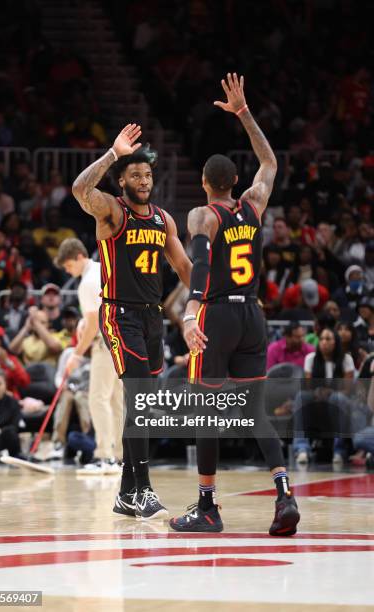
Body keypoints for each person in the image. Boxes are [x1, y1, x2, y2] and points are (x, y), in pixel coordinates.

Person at [170, 72, 300, 534]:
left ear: (205, 183)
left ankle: (207, 506)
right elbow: (270, 162)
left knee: (206, 409)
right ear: (236, 180)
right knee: (255, 410)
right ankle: (284, 495)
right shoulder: (254, 204)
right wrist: (244, 114)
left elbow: (201, 267)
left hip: (218, 312)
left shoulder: (203, 214)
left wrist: (190, 312)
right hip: (253, 315)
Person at [72, 123, 192, 519]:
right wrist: (112, 153)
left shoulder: (163, 220)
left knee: (142, 403)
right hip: (118, 313)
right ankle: (143, 490)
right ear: (122, 179)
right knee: (139, 397)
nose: (143, 180)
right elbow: (79, 190)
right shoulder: (111, 210)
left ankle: (126, 495)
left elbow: (184, 267)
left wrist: (215, 295)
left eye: (148, 175)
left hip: (152, 316)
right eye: (135, 174)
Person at [55, 238, 123, 473]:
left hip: (104, 342)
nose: (68, 271)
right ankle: (120, 457)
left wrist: (76, 354)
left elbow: (94, 323)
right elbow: (99, 310)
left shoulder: (86, 282)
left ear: (78, 257)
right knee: (116, 400)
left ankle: (105, 457)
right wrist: (85, 321)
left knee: (98, 398)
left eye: (68, 266)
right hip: (122, 340)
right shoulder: (101, 269)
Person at [293, 327, 355, 464]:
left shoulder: (346, 359)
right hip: (318, 400)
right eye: (321, 339)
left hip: (340, 400)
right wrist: (318, 392)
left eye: (328, 339)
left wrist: (331, 392)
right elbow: (309, 387)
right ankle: (302, 448)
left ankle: (339, 450)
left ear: (336, 342)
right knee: (301, 397)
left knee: (337, 398)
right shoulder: (311, 358)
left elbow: (348, 390)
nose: (324, 342)